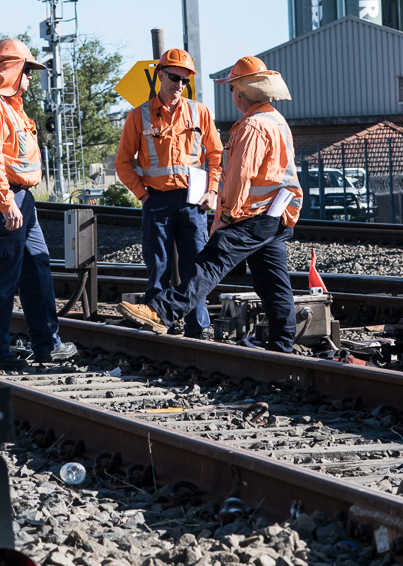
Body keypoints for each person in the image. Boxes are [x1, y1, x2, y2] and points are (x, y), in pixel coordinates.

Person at [118, 55, 302, 352]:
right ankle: (282, 346)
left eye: (232, 89)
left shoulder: (253, 126)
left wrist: (226, 216)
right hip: (276, 213)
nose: (231, 96)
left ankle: (161, 312)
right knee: (273, 282)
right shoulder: (275, 118)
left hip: (252, 214)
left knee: (209, 263)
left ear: (240, 93)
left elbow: (240, 176)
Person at [0, 37, 77, 373]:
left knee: (37, 269)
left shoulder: (11, 106)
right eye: (26, 71)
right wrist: (5, 203)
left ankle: (48, 345)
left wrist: (17, 201)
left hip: (21, 198)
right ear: (9, 69)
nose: (30, 78)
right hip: (4, 197)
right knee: (2, 275)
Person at [114, 48, 222, 338]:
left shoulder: (200, 112)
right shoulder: (139, 116)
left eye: (185, 80)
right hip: (157, 201)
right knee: (158, 266)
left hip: (193, 201)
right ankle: (157, 323)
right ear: (160, 75)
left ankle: (198, 327)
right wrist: (144, 196)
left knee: (195, 266)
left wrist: (212, 192)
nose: (179, 85)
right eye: (174, 77)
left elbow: (215, 155)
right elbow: (122, 163)